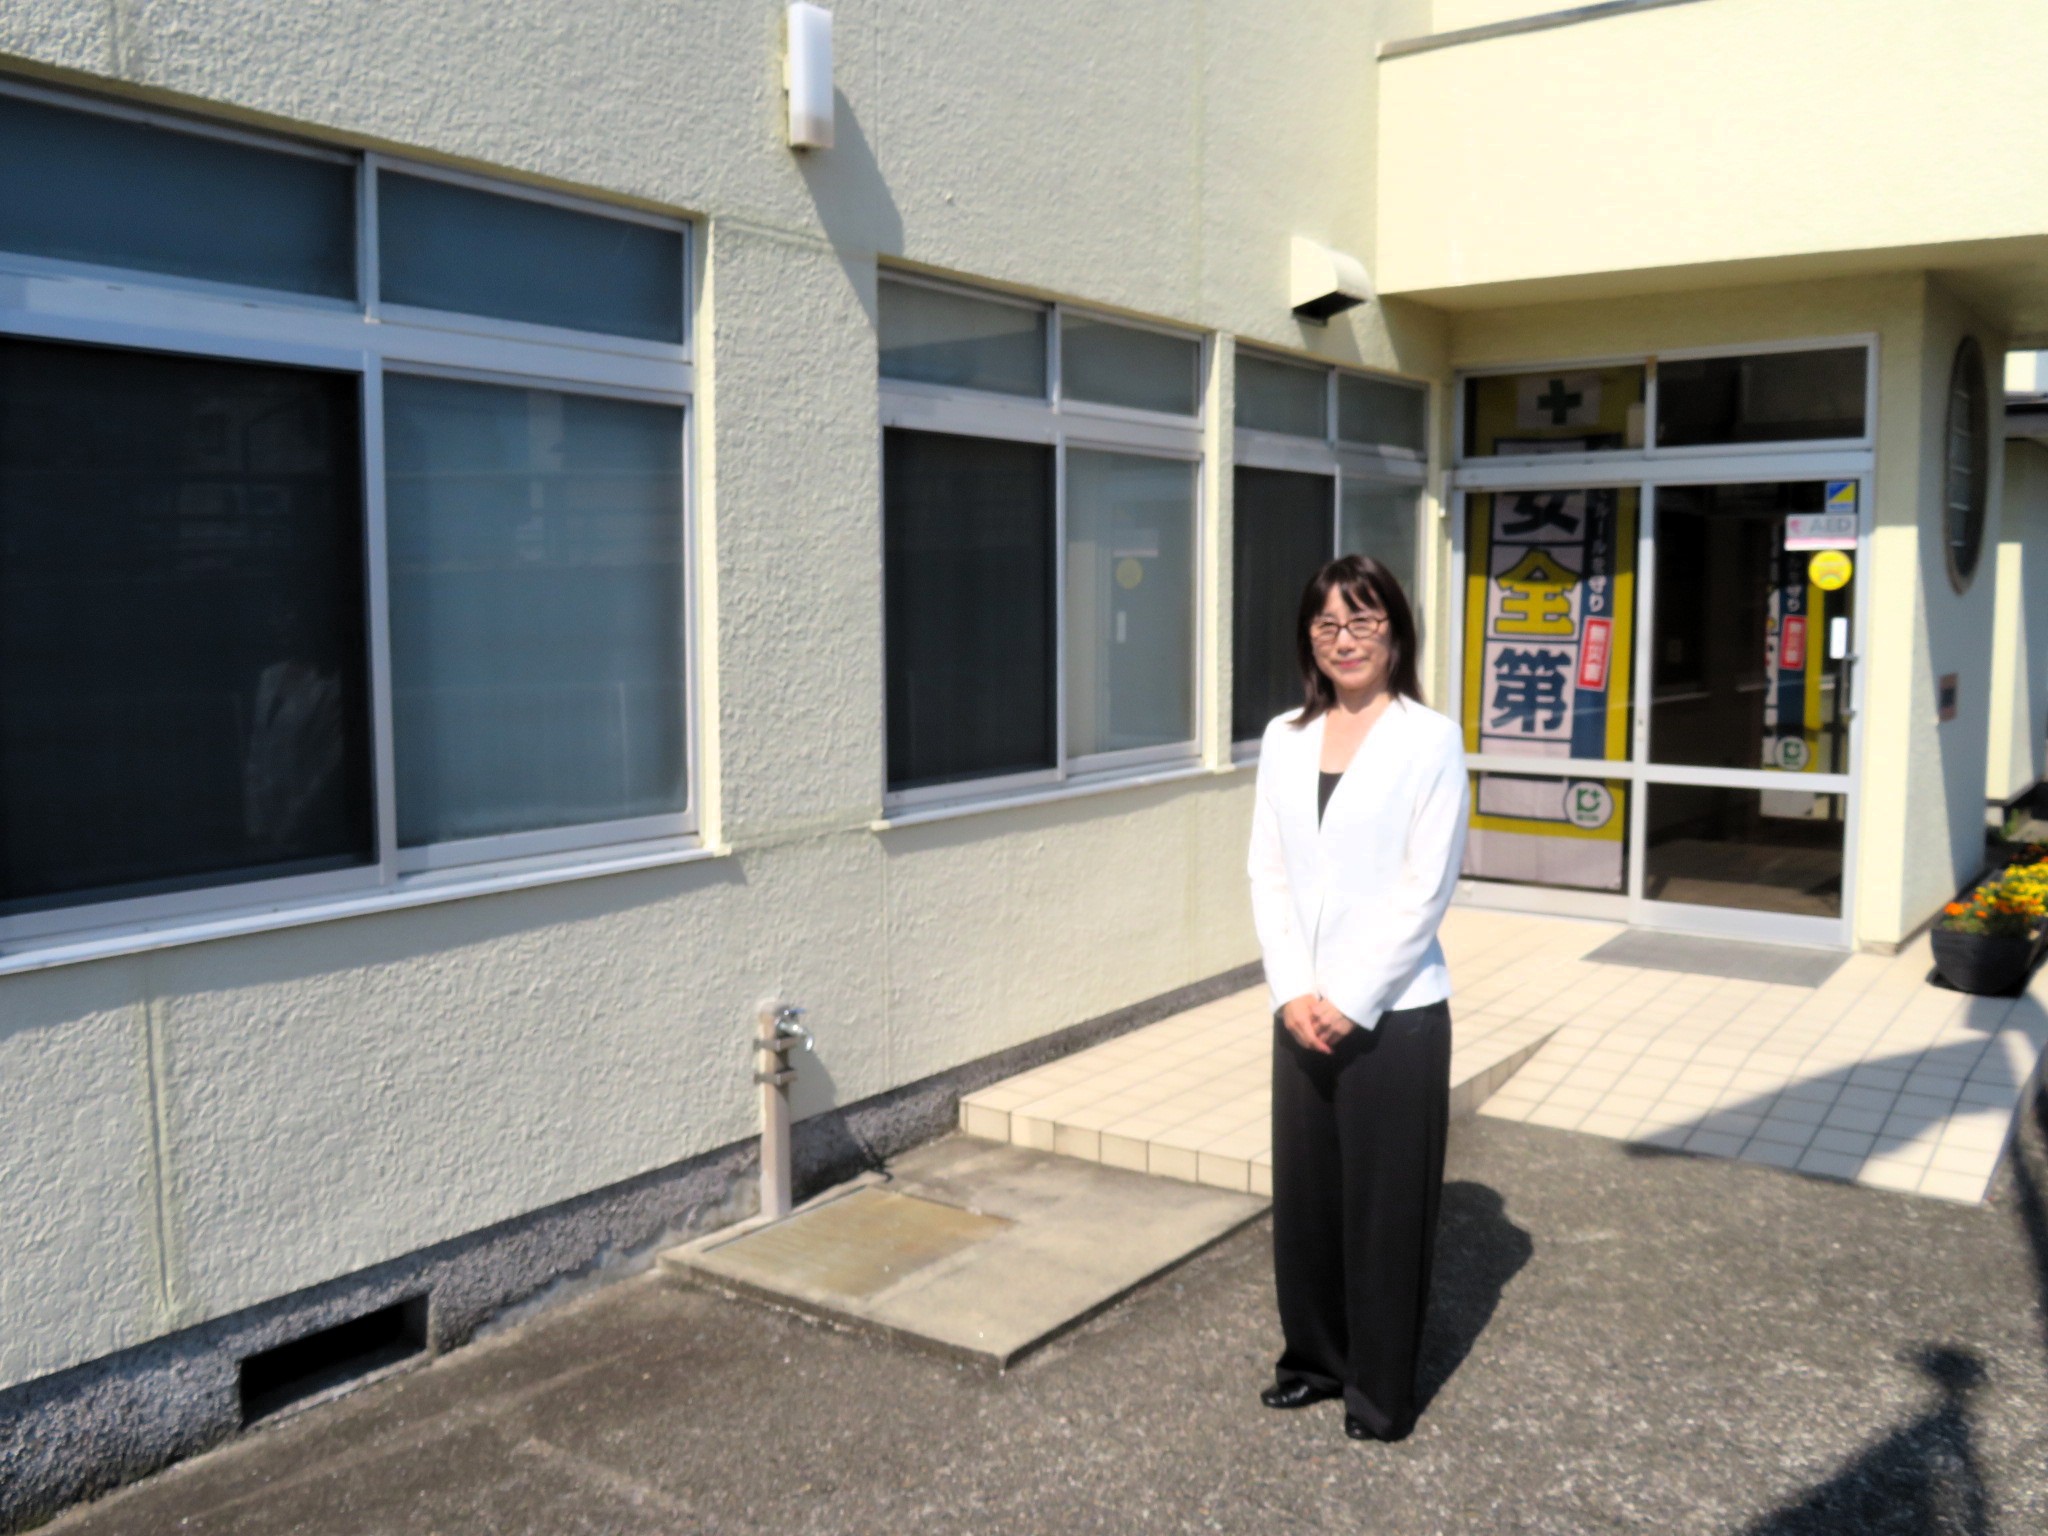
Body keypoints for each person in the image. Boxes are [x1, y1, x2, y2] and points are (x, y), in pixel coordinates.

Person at [1246, 553, 1469, 1443]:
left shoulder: (1430, 738)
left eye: (1363, 621)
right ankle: (1313, 1362)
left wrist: (1351, 994)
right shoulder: (1283, 736)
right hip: (1301, 1010)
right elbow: (1268, 871)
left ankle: (1378, 1393)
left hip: (1395, 1013)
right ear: (1309, 638)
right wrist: (1293, 990)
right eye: (1327, 624)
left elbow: (1427, 886)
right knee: (1308, 1203)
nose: (1345, 640)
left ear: (1395, 632)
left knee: (1385, 1212)